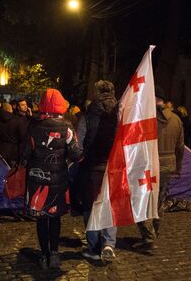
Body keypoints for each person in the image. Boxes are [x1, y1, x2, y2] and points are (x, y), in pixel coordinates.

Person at [19, 88, 82, 269]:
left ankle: (43, 255)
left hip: (37, 181)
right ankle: (54, 253)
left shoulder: (33, 126)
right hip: (58, 181)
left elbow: (24, 155)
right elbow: (76, 154)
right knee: (54, 218)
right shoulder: (67, 126)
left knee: (41, 219)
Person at [134, 85, 184, 254]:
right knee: (159, 202)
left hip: (149, 165)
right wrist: (178, 166)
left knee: (141, 202)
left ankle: (149, 238)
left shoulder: (147, 119)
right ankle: (154, 233)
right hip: (167, 166)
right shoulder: (177, 120)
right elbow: (181, 147)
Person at [79, 80, 118, 262]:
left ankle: (94, 247)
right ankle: (109, 243)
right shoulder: (121, 113)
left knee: (90, 206)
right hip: (114, 167)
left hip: (92, 167)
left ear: (96, 92)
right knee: (110, 205)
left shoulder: (89, 113)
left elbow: (79, 143)